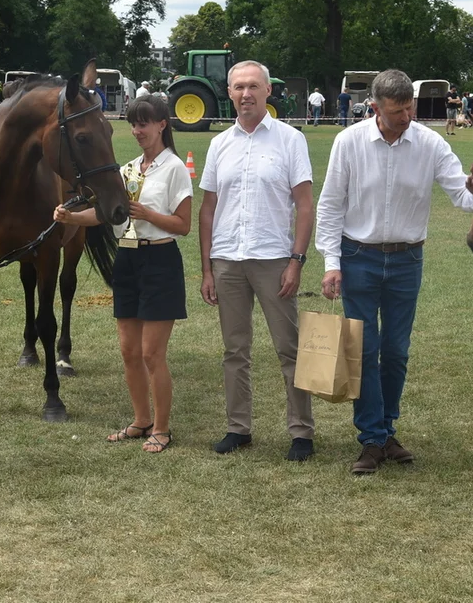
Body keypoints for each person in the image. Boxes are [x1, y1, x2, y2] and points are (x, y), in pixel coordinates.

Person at [315, 69, 473, 475]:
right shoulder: (348, 142)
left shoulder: (430, 143)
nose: (406, 117)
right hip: (358, 257)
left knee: (397, 352)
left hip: (407, 260)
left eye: (410, 109)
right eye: (396, 111)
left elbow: (462, 193)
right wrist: (332, 264)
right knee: (365, 349)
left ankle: (386, 430)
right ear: (374, 108)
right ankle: (371, 438)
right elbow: (331, 205)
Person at [54, 96, 191, 454]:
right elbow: (104, 215)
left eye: (144, 123)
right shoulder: (128, 169)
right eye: (133, 124)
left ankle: (162, 428)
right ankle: (140, 420)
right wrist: (71, 218)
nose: (137, 131)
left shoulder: (174, 168)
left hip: (160, 261)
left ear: (162, 124)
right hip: (127, 262)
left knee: (151, 354)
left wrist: (148, 213)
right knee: (129, 351)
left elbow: (184, 225)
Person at [199, 60, 315, 461]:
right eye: (237, 87)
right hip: (228, 260)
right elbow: (208, 209)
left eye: (252, 86)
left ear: (268, 91)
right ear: (228, 93)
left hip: (274, 260)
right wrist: (206, 268)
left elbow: (304, 205)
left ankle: (301, 432)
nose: (245, 94)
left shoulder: (289, 140)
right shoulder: (219, 144)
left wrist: (296, 261)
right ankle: (238, 427)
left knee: (290, 349)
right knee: (235, 350)